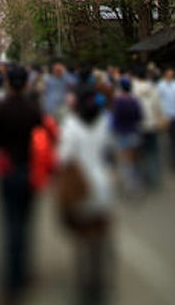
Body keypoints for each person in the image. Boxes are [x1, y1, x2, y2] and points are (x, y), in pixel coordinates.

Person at [0, 64, 43, 304]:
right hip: (29, 168)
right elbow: (41, 138)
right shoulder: (35, 110)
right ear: (27, 83)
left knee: (10, 222)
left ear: (7, 82)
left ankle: (11, 281)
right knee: (26, 221)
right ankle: (23, 272)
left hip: (7, 168)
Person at [57, 86, 116, 304]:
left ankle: (86, 285)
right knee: (100, 235)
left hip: (80, 188)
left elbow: (62, 159)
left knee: (83, 237)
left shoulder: (71, 126)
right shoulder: (105, 122)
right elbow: (110, 151)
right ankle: (100, 282)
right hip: (103, 185)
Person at [109, 75, 143, 196]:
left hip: (121, 133)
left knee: (124, 161)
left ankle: (129, 186)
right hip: (134, 131)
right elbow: (140, 116)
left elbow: (115, 118)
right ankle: (136, 184)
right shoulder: (135, 100)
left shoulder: (118, 101)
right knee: (134, 160)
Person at [157, 66, 175, 167]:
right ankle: (172, 159)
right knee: (168, 137)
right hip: (166, 114)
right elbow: (158, 100)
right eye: (168, 74)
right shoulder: (160, 85)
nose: (170, 75)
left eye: (171, 74)